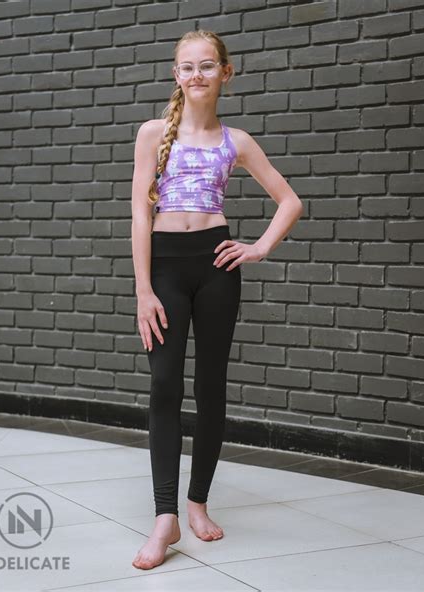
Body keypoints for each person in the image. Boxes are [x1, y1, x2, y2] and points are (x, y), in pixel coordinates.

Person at [130, 29, 303, 570]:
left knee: (210, 386)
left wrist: (258, 248)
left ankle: (198, 503)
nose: (197, 75)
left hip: (216, 267)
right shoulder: (152, 133)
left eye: (207, 65)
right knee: (164, 383)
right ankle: (165, 517)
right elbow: (139, 214)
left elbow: (290, 201)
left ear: (226, 72)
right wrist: (143, 290)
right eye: (187, 66)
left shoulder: (237, 141)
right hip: (165, 267)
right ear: (176, 74)